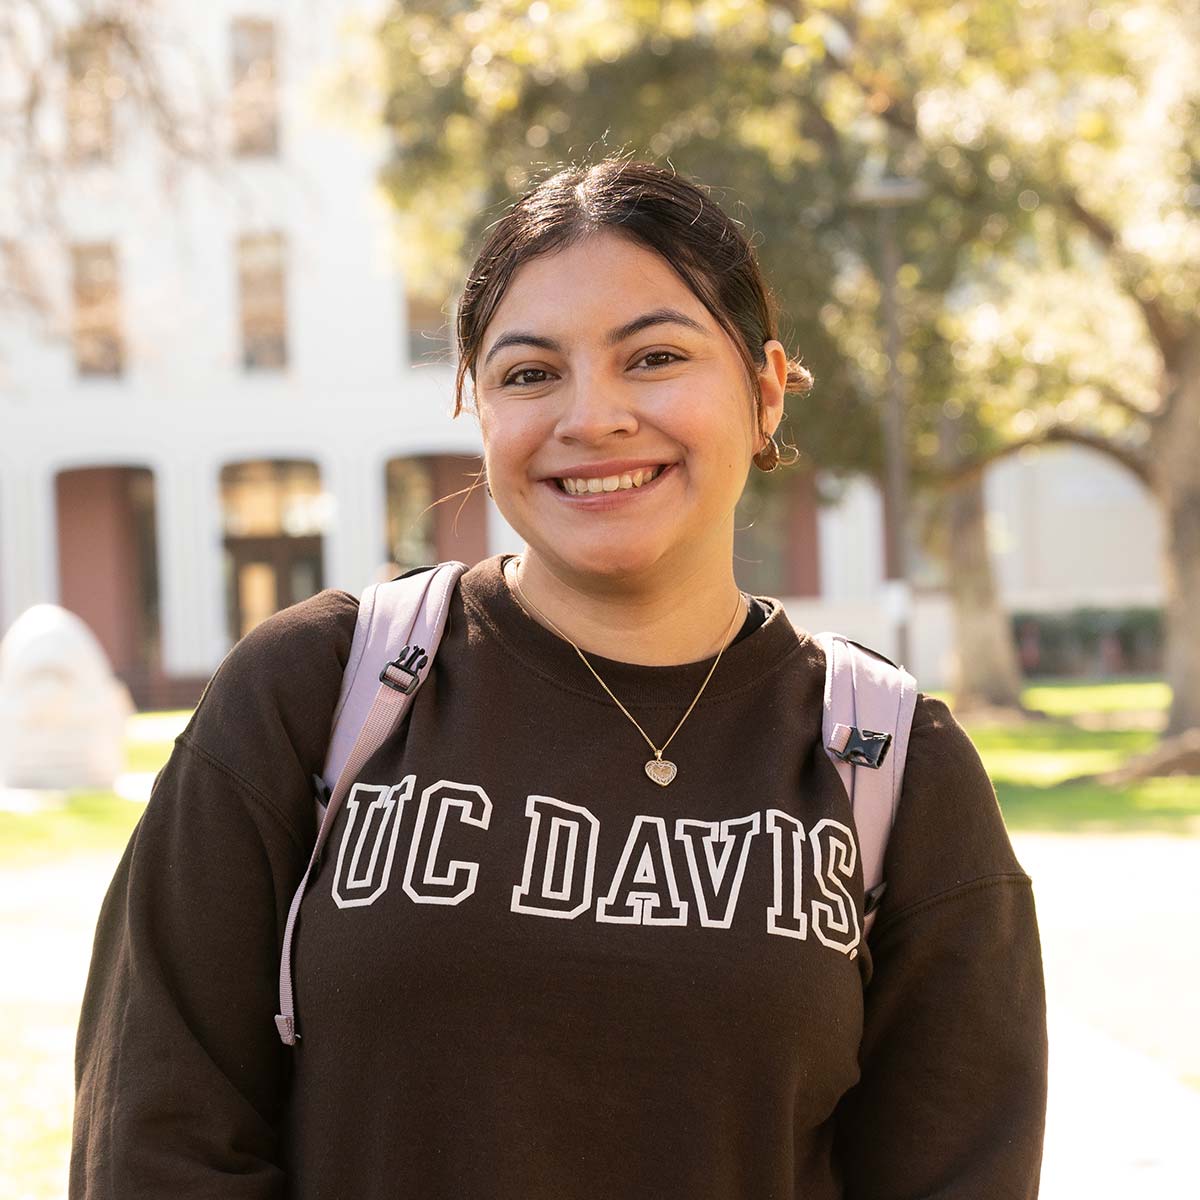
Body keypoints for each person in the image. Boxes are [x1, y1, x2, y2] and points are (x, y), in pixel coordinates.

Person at [71, 156, 1047, 1199]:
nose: (593, 418)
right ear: (479, 413)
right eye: (529, 373)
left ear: (764, 391)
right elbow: (154, 1140)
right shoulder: (313, 692)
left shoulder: (894, 764)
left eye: (656, 357)